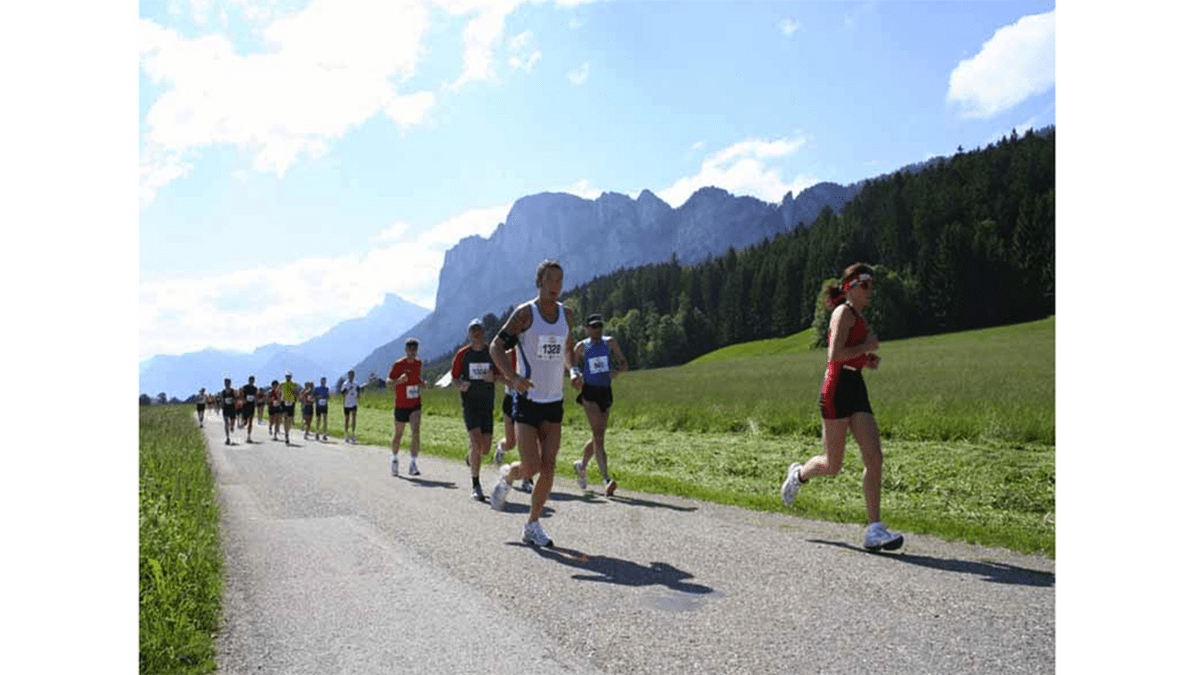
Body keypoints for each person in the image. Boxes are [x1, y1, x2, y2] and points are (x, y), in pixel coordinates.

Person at [780, 263, 904, 552]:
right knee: (832, 464)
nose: (871, 290)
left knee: (874, 456)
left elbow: (849, 355)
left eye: (872, 285)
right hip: (836, 389)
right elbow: (834, 354)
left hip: (855, 386)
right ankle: (798, 475)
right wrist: (866, 347)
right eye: (866, 285)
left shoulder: (859, 317)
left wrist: (865, 360)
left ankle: (874, 529)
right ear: (851, 287)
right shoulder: (843, 313)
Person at [488, 259, 576, 547]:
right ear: (539, 282)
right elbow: (496, 346)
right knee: (531, 468)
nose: (556, 286)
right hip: (527, 401)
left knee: (548, 467)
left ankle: (532, 524)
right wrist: (512, 377)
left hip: (554, 402)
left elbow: (567, 349)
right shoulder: (525, 314)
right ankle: (509, 475)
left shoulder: (567, 315)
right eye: (550, 279)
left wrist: (574, 370)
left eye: (560, 280)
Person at [569, 313, 629, 496]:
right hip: (589, 392)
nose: (597, 329)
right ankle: (606, 479)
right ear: (587, 328)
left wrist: (616, 371)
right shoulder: (582, 346)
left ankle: (581, 465)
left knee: (599, 434)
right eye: (593, 326)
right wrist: (576, 375)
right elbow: (571, 364)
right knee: (598, 435)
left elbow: (624, 363)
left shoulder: (609, 342)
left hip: (605, 391)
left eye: (599, 326)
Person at [451, 319, 501, 501]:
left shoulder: (491, 352)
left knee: (485, 449)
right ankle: (476, 485)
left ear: (483, 333)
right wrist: (460, 385)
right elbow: (454, 378)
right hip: (470, 404)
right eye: (473, 331)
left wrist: (493, 377)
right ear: (469, 334)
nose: (477, 333)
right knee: (476, 443)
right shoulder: (462, 354)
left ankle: (471, 458)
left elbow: (501, 374)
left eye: (479, 330)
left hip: (487, 405)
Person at [494, 347, 534, 493]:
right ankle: (501, 446)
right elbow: (497, 376)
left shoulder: (534, 352)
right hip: (511, 400)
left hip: (531, 400)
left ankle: (527, 479)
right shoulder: (508, 354)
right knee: (511, 443)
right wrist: (512, 382)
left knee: (529, 441)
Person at [387, 338, 428, 476]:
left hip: (415, 403)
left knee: (416, 432)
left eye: (414, 349)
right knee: (398, 434)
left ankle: (413, 464)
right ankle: (394, 459)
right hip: (401, 404)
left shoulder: (418, 363)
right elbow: (388, 381)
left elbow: (416, 379)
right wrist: (399, 381)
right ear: (406, 350)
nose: (412, 351)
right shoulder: (398, 364)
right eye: (410, 348)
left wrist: (422, 383)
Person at [342, 370, 366, 444]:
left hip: (354, 403)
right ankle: (346, 434)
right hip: (347, 404)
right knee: (347, 419)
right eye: (350, 375)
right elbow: (343, 394)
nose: (352, 377)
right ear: (348, 376)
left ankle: (353, 434)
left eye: (353, 375)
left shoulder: (356, 384)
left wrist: (359, 393)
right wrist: (348, 390)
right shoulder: (345, 384)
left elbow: (358, 394)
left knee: (354, 419)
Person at [279, 371, 300, 445]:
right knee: (286, 418)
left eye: (289, 377)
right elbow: (279, 390)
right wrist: (281, 397)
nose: (288, 378)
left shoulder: (294, 384)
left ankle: (287, 431)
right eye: (287, 377)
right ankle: (286, 435)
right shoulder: (282, 383)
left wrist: (296, 397)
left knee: (289, 419)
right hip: (285, 402)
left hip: (291, 402)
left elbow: (295, 392)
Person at [240, 375, 259, 443]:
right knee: (245, 422)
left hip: (251, 405)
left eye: (252, 380)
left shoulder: (255, 388)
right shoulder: (245, 387)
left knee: (250, 422)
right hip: (245, 405)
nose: (251, 381)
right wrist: (243, 400)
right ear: (248, 381)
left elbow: (256, 396)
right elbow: (241, 394)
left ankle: (249, 436)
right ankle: (243, 423)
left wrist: (256, 402)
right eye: (250, 380)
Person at [219, 378, 237, 445]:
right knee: (226, 423)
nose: (226, 384)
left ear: (230, 383)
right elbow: (221, 400)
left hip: (232, 408)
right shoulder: (223, 392)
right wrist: (221, 405)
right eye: (225, 383)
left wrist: (234, 401)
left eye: (228, 383)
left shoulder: (233, 391)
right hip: (226, 408)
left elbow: (236, 398)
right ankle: (227, 437)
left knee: (232, 421)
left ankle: (232, 427)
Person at [313, 376, 331, 441]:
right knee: (318, 419)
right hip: (318, 405)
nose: (323, 383)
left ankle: (324, 433)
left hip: (324, 405)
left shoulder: (327, 389)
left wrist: (326, 398)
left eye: (324, 382)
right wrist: (318, 397)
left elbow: (328, 396)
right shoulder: (317, 389)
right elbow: (314, 396)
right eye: (322, 382)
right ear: (321, 382)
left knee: (325, 419)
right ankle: (317, 432)